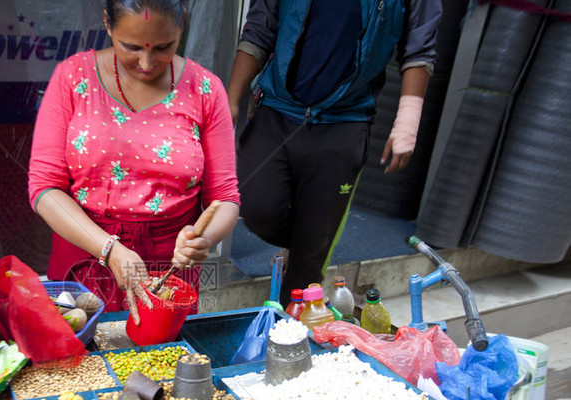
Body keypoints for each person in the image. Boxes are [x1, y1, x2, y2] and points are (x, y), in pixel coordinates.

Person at [28, 0, 240, 325]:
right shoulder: (72, 77)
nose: (146, 63)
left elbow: (224, 198)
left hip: (168, 272)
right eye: (130, 47)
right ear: (108, 25)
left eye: (163, 47)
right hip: (85, 260)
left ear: (181, 25)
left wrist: (203, 240)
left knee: (162, 367)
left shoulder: (206, 90)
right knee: (85, 366)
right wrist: (109, 249)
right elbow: (45, 189)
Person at [227, 0, 442, 297]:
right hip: (276, 110)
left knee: (308, 260)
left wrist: (408, 121)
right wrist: (231, 99)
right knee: (258, 209)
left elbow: (419, 47)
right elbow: (260, 29)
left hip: (345, 123)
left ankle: (290, 329)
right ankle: (305, 242)